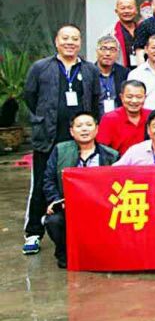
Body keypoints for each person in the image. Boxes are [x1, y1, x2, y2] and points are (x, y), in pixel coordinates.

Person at [42, 113, 119, 268]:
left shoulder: (111, 155)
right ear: (72, 131)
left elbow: (118, 184)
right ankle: (64, 253)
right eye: (79, 126)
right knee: (53, 221)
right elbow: (48, 180)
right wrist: (56, 201)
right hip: (68, 206)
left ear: (96, 129)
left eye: (89, 125)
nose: (84, 129)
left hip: (101, 208)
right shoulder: (60, 150)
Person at [96, 80, 149, 156]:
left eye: (139, 97)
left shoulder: (151, 116)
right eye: (129, 97)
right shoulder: (109, 119)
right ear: (122, 97)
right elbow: (102, 149)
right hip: (118, 161)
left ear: (145, 97)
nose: (134, 101)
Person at [93, 35, 129, 116]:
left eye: (112, 50)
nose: (108, 53)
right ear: (97, 51)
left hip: (119, 119)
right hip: (96, 119)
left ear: (117, 53)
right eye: (103, 49)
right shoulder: (90, 72)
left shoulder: (124, 73)